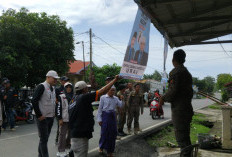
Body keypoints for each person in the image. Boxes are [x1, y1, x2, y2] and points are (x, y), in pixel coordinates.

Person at [69, 75, 120, 157]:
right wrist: (115, 80)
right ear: (84, 89)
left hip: (74, 134)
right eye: (87, 88)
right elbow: (101, 91)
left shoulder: (73, 99)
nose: (88, 90)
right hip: (80, 136)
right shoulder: (83, 97)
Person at [159, 49, 193, 157]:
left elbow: (173, 90)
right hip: (187, 108)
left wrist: (163, 98)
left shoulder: (176, 72)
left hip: (180, 110)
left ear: (173, 60)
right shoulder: (187, 73)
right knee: (185, 137)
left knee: (181, 138)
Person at [32, 70, 60, 157]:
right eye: (54, 79)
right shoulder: (41, 86)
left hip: (50, 117)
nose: (55, 81)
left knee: (44, 139)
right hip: (42, 117)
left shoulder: (53, 88)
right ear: (48, 77)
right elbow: (34, 100)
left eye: (56, 79)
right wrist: (39, 115)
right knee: (44, 139)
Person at [97, 86, 123, 157]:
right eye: (111, 90)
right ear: (108, 90)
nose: (113, 92)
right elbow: (99, 109)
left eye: (114, 91)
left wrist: (121, 99)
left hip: (113, 116)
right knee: (104, 133)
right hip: (105, 116)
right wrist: (99, 119)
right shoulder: (103, 97)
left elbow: (120, 105)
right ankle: (101, 147)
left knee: (113, 133)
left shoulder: (116, 98)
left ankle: (110, 151)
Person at [56, 82, 73, 157]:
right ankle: (61, 150)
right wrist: (60, 118)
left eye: (70, 87)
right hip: (64, 118)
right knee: (62, 135)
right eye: (67, 87)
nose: (68, 88)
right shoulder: (61, 96)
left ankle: (68, 147)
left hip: (72, 118)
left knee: (70, 135)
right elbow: (58, 108)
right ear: (64, 88)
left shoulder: (74, 96)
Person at [55, 76, 70, 145]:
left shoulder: (69, 89)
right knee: (60, 126)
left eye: (67, 80)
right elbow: (56, 100)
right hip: (60, 110)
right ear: (61, 81)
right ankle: (58, 140)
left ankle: (67, 141)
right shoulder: (58, 89)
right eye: (65, 80)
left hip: (68, 111)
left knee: (68, 127)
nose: (66, 82)